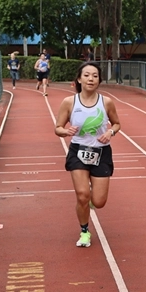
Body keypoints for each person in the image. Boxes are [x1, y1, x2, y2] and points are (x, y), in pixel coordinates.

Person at [54, 62, 121, 247]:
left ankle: (91, 202)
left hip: (101, 153)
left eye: (95, 76)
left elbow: (116, 124)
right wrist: (65, 132)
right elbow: (57, 128)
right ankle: (84, 232)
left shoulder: (106, 102)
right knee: (82, 195)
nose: (91, 79)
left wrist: (110, 133)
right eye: (87, 75)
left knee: (98, 202)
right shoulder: (69, 102)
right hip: (78, 151)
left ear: (99, 80)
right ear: (79, 79)